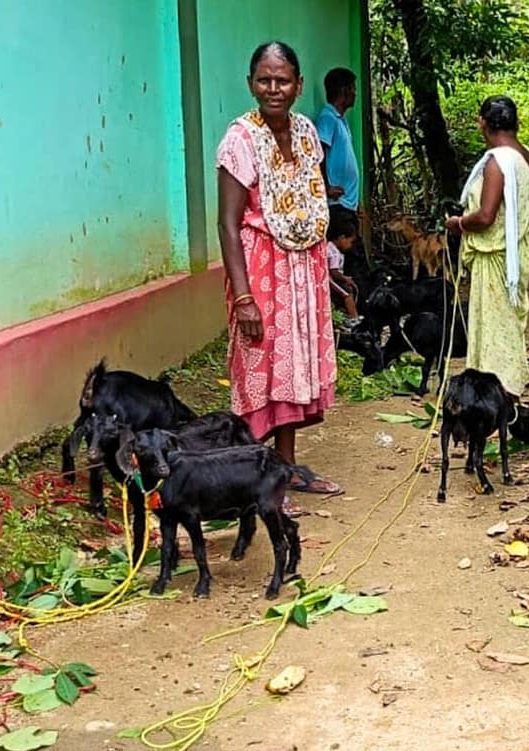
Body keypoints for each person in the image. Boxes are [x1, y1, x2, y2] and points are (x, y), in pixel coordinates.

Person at [215, 41, 345, 506]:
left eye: (283, 80)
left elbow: (312, 198)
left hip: (303, 270)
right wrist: (244, 297)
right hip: (260, 270)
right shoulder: (239, 139)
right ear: (251, 83)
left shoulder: (308, 131)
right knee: (259, 371)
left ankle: (286, 470)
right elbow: (228, 224)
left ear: (298, 84)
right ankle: (253, 481)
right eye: (265, 80)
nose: (274, 88)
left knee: (292, 371)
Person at [446, 95, 529, 409]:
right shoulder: (527, 157)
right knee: (506, 326)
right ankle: (506, 391)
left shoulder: (497, 162)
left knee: (493, 332)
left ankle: (494, 397)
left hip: (497, 258)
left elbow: (485, 216)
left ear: (483, 124)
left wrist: (458, 223)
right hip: (516, 255)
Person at [314, 68, 371, 294]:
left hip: (347, 203)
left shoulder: (341, 120)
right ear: (344, 91)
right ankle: (360, 305)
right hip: (336, 205)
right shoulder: (327, 118)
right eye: (353, 89)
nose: (355, 94)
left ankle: (363, 302)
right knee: (350, 258)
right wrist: (325, 186)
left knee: (355, 257)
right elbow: (318, 153)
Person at [325, 218, 362, 327]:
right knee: (347, 294)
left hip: (332, 276)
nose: (350, 246)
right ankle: (354, 318)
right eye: (350, 242)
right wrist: (345, 279)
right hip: (330, 278)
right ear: (342, 238)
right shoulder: (334, 253)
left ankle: (347, 315)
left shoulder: (328, 246)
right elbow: (334, 271)